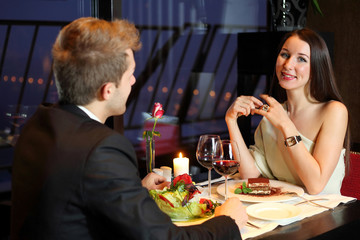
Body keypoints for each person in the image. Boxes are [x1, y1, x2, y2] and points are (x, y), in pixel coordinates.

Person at [10, 17, 248, 240]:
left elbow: (75, 197)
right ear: (107, 90)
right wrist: (227, 222)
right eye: (130, 74)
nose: (134, 81)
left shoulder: (38, 124)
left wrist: (134, 191)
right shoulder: (102, 148)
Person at [226, 28, 349, 195]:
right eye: (285, 55)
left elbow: (316, 186)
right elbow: (249, 175)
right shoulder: (273, 114)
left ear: (317, 67)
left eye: (301, 59)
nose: (288, 65)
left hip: (325, 216)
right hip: (283, 212)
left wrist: (285, 125)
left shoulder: (334, 111)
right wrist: (231, 121)